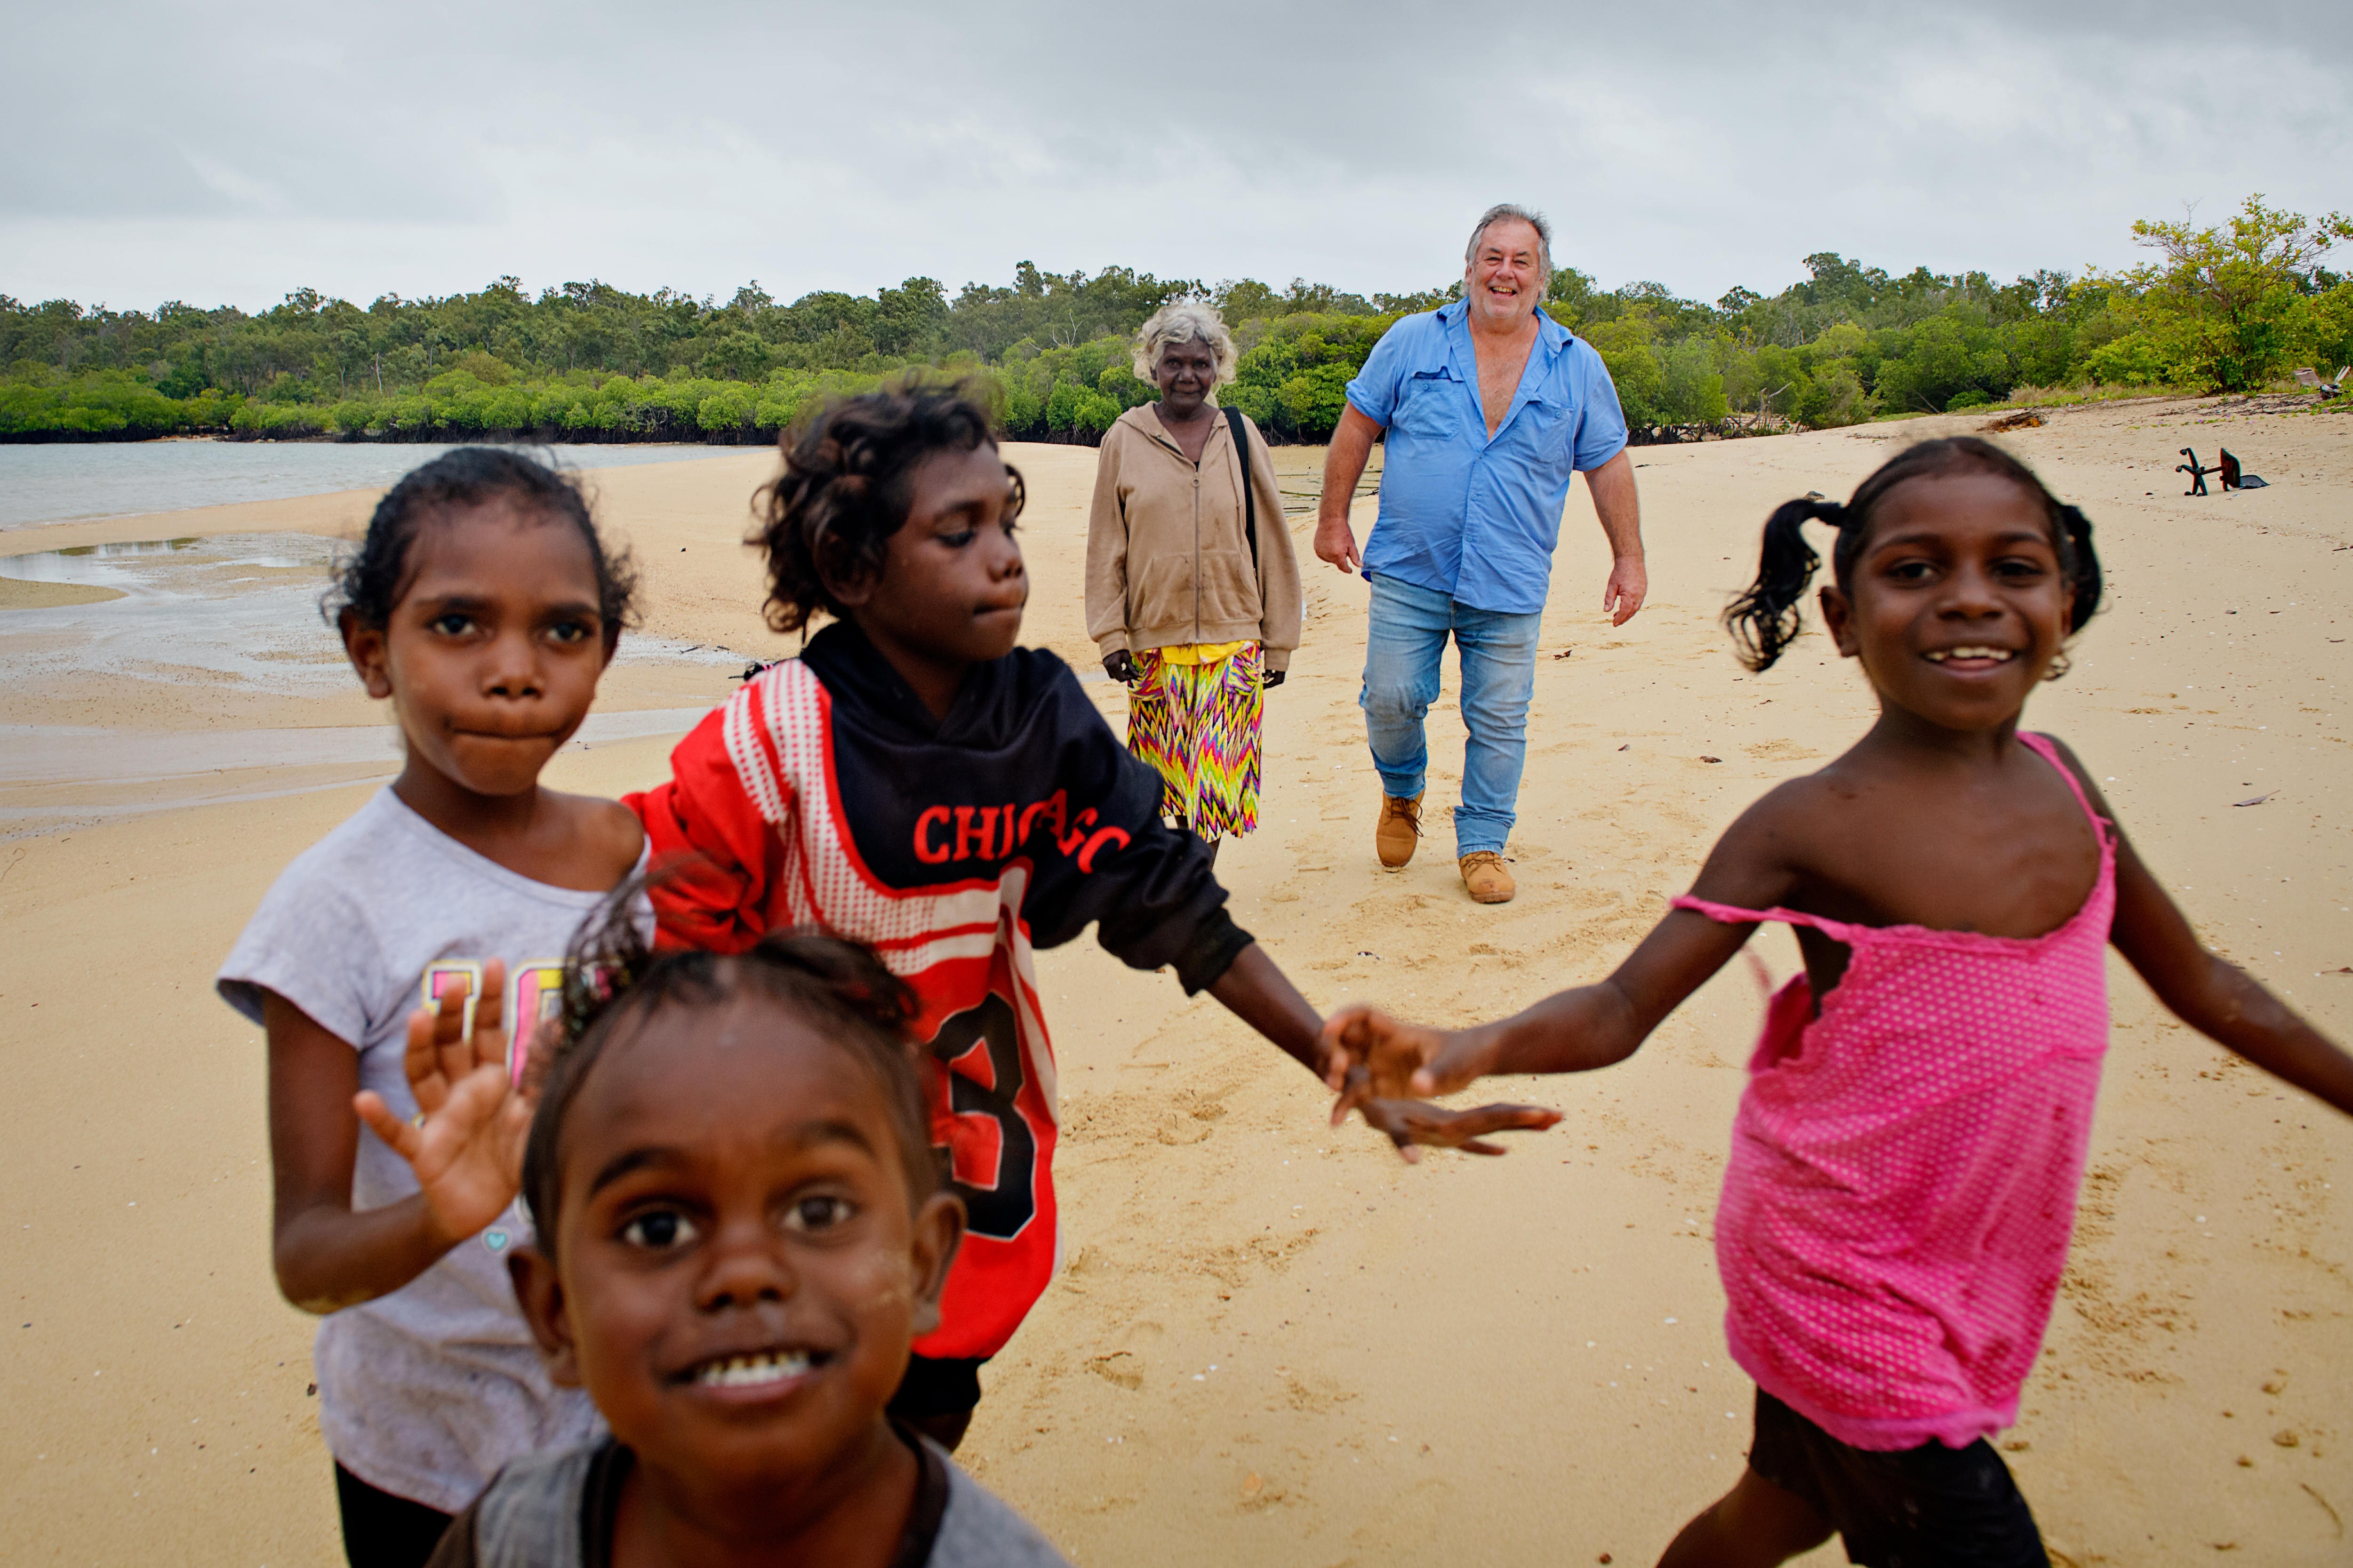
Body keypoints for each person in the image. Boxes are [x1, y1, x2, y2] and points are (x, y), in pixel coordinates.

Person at [1319, 437, 2353, 1568]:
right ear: (1843, 614)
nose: (1969, 598)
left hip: (1970, 1265)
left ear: (2067, 594)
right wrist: (1466, 1044)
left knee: (1777, 1509)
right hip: (1838, 1276)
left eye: (2013, 567)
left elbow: (2204, 983)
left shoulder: (2068, 790)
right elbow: (1622, 1008)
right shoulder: (1807, 824)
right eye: (1913, 570)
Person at [626, 385, 1557, 1452]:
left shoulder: (1038, 720)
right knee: (794, 1414)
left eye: (1006, 522)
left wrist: (1328, 1056)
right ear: (851, 570)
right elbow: (660, 940)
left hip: (964, 1159)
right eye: (958, 532)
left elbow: (1176, 908)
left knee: (931, 1396)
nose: (1006, 557)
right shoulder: (766, 742)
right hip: (782, 1152)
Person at [216, 449, 648, 1568]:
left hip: (632, 1408)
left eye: (565, 630)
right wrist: (445, 1213)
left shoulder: (630, 860)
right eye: (458, 625)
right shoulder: (335, 907)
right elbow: (307, 1258)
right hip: (425, 1445)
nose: (516, 671)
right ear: (372, 651)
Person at [423, 929, 1072, 1568]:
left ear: (924, 1266)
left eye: (819, 1212)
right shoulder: (508, 1541)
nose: (744, 1273)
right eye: (658, 1229)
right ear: (555, 1312)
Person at [1315, 202, 1646, 905]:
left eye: (1521, 261)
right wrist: (1332, 519)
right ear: (1469, 269)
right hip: (1411, 564)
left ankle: (1483, 842)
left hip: (1512, 572)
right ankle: (1403, 793)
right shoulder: (1411, 342)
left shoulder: (1577, 366)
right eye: (1492, 258)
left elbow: (1609, 463)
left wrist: (1630, 559)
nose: (1505, 273)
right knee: (1392, 696)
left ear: (1542, 278)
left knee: (1499, 716)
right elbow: (1355, 428)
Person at [1087, 298, 1302, 858]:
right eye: (1174, 362)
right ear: (1153, 367)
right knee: (1165, 782)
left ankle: (1194, 877)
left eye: (1200, 363)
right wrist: (1110, 635)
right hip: (1154, 640)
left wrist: (1278, 641)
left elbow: (1273, 538)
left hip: (1234, 637)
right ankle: (1184, 875)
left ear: (1218, 367)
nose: (1187, 375)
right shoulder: (1123, 438)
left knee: (1214, 782)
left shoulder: (1240, 432)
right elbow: (1106, 544)